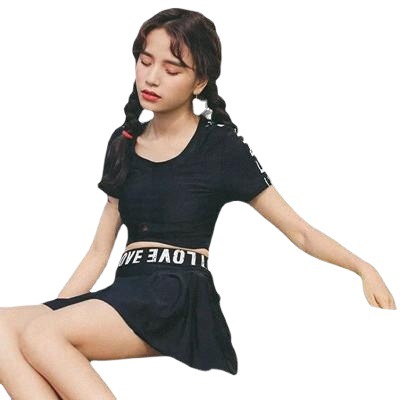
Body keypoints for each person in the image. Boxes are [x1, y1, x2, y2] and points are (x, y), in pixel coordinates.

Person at [0, 7, 396, 399]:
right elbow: (98, 251)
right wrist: (63, 308)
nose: (152, 77)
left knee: (41, 335)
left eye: (172, 70)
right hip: (127, 290)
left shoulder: (220, 147)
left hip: (177, 295)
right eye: (145, 62)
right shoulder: (123, 142)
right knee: (6, 329)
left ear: (200, 81)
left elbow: (300, 231)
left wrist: (363, 267)